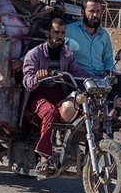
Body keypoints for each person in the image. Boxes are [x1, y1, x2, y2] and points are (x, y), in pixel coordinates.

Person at [22, 18, 91, 173]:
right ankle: (44, 157)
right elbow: (27, 83)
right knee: (50, 112)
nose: (59, 36)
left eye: (62, 33)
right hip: (38, 96)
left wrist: (99, 79)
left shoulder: (66, 53)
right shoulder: (35, 54)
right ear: (47, 33)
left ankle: (83, 153)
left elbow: (78, 73)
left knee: (83, 108)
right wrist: (38, 77)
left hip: (59, 94)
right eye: (56, 32)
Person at [65, 0, 121, 129]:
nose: (95, 15)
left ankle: (110, 120)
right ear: (83, 12)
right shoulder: (70, 30)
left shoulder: (104, 35)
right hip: (79, 78)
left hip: (100, 77)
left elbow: (107, 59)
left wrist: (110, 73)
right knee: (92, 95)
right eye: (91, 11)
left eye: (98, 11)